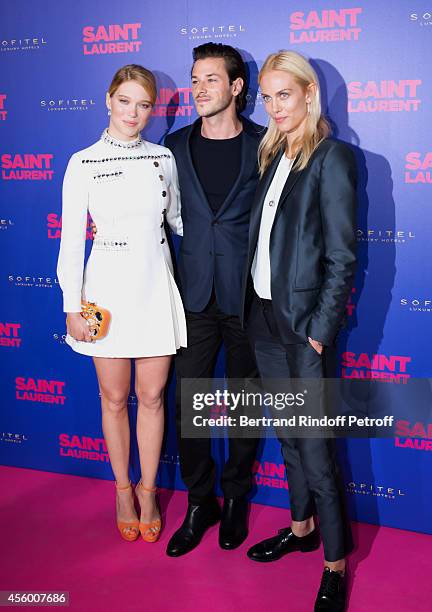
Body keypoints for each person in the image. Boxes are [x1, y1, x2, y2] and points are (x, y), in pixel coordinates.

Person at [240, 51, 356, 612]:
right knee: (287, 438)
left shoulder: (332, 158)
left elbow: (341, 255)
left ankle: (334, 564)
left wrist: (320, 331)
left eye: (283, 94)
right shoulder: (272, 155)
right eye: (266, 96)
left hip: (303, 328)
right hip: (263, 318)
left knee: (314, 446)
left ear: (310, 94)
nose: (274, 106)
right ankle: (301, 528)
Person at [57, 64, 186, 543]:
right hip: (106, 290)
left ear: (153, 110)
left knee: (152, 397)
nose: (134, 113)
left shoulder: (163, 158)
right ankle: (122, 489)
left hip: (155, 284)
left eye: (144, 104)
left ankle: (150, 491)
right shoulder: (82, 162)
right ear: (108, 99)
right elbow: (72, 241)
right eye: (126, 101)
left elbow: (176, 222)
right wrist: (72, 304)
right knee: (114, 399)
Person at [164, 43, 262, 557]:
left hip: (249, 299)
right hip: (194, 294)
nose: (200, 89)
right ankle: (200, 503)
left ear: (237, 87)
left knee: (245, 405)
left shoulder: (267, 145)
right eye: (195, 79)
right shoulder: (173, 145)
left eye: (211, 79)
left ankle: (237, 499)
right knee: (190, 404)